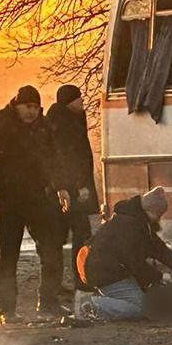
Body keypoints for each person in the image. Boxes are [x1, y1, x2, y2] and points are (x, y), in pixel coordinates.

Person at [0, 85, 69, 324]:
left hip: (38, 196)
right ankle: (6, 309)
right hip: (9, 197)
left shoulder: (43, 127)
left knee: (51, 249)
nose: (32, 112)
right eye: (28, 107)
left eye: (36, 107)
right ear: (17, 105)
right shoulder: (0, 124)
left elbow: (54, 158)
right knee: (9, 254)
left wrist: (62, 187)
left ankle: (48, 303)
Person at [76, 187, 172, 321]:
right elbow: (135, 264)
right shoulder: (130, 227)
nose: (158, 219)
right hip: (104, 272)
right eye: (158, 215)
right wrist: (160, 276)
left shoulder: (136, 221)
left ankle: (104, 301)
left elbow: (157, 247)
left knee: (137, 300)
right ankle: (91, 304)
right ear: (150, 211)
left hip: (108, 269)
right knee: (139, 307)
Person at [45, 84, 98, 303]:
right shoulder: (64, 125)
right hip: (69, 192)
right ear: (68, 102)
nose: (82, 102)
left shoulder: (65, 121)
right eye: (78, 99)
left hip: (64, 190)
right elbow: (68, 160)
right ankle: (78, 280)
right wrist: (79, 186)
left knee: (61, 238)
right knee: (79, 235)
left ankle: (60, 285)